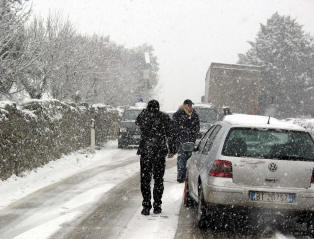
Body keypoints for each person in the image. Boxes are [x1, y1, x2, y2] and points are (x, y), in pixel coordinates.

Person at [136, 99, 176, 216]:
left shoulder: (144, 116)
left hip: (146, 152)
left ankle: (146, 205)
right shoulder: (164, 117)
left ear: (148, 107)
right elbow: (170, 133)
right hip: (159, 151)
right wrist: (172, 149)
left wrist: (144, 112)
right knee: (158, 179)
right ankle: (157, 205)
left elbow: (137, 121)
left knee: (145, 180)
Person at [173, 99, 200, 183]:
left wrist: (193, 135)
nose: (191, 107)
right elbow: (175, 128)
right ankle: (181, 177)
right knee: (182, 159)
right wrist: (181, 135)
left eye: (191, 105)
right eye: (189, 105)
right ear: (185, 106)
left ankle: (189, 177)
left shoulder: (195, 115)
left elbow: (197, 127)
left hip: (191, 141)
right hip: (181, 141)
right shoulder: (178, 115)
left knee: (190, 159)